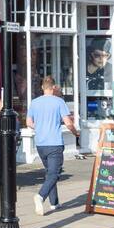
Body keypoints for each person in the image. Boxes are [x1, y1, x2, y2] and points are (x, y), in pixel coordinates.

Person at [26, 80, 78, 216]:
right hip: (54, 143)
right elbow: (68, 123)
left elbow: (29, 122)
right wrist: (76, 133)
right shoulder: (59, 102)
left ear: (43, 88)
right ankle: (40, 196)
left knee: (50, 173)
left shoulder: (34, 102)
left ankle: (54, 203)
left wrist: (40, 128)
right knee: (54, 174)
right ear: (53, 87)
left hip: (40, 143)